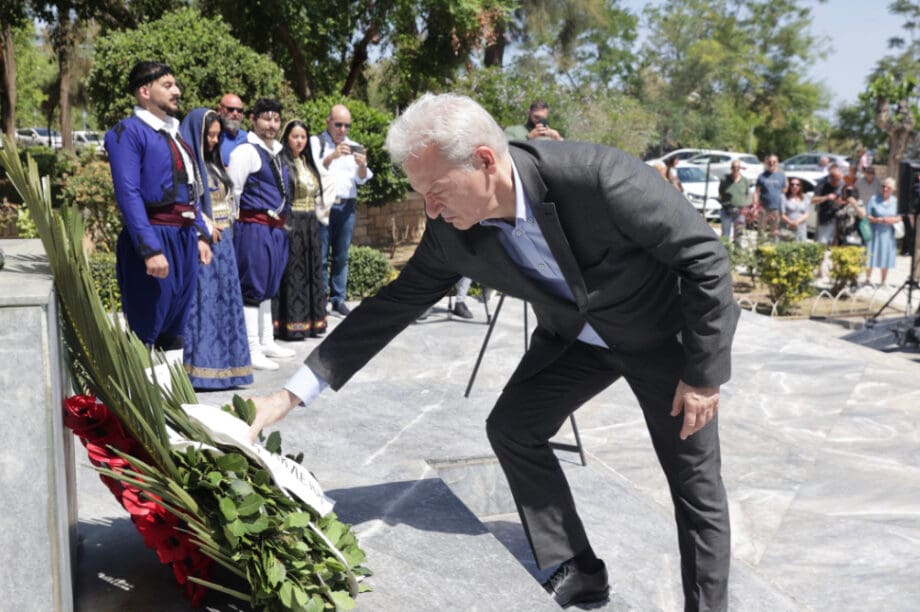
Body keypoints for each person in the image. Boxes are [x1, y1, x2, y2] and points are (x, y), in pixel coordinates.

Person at [248, 93, 740, 611]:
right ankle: (577, 568)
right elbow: (388, 308)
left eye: (436, 191)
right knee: (513, 427)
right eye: (422, 196)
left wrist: (704, 375)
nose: (430, 210)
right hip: (576, 340)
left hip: (662, 340)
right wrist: (285, 399)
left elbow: (705, 257)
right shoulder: (449, 233)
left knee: (694, 484)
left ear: (484, 160)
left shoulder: (595, 176)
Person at [104, 61, 212, 361]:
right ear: (144, 91)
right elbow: (128, 193)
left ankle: (170, 402)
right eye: (167, 85)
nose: (177, 91)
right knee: (146, 326)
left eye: (175, 85)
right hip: (155, 236)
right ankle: (141, 404)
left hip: (183, 237)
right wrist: (149, 248)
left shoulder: (175, 132)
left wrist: (201, 233)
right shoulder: (127, 132)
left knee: (175, 327)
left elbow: (189, 189)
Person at [179, 108, 253, 388]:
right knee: (205, 306)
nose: (213, 140)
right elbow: (189, 204)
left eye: (217, 135)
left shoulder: (214, 163)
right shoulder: (189, 169)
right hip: (203, 245)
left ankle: (227, 368)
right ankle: (201, 370)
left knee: (224, 305)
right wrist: (201, 233)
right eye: (209, 135)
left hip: (225, 244)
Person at [227, 98, 295, 371]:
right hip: (253, 227)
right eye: (266, 118)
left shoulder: (278, 151)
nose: (272, 124)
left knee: (269, 285)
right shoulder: (245, 151)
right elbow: (234, 192)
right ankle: (251, 346)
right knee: (252, 287)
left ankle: (267, 340)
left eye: (276, 119)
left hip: (276, 228)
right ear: (253, 119)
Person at [311, 104, 373, 317]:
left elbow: (362, 179)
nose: (343, 130)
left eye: (347, 125)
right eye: (338, 124)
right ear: (328, 121)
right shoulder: (316, 143)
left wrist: (362, 165)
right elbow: (311, 170)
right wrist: (332, 157)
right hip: (324, 205)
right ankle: (320, 300)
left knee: (341, 255)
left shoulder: (354, 146)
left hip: (347, 206)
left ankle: (338, 299)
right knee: (321, 255)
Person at [275, 120, 329, 339]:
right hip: (292, 223)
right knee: (293, 274)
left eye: (303, 137)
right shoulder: (281, 162)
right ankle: (291, 324)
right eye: (295, 136)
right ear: (287, 138)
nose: (299, 141)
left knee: (311, 271)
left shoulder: (307, 162)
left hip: (311, 224)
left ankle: (312, 322)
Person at [866, 177, 900, 286]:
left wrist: (889, 220)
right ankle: (867, 280)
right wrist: (878, 220)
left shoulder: (896, 201)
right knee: (870, 255)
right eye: (883, 186)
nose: (885, 189)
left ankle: (883, 281)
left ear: (893, 189)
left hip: (888, 233)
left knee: (886, 255)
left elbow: (900, 217)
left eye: (888, 187)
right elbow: (867, 216)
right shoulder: (874, 199)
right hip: (874, 231)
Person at [752, 154, 786, 239]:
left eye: (774, 162)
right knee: (761, 231)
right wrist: (755, 206)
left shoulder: (781, 176)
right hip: (763, 208)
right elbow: (756, 192)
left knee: (774, 232)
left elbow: (784, 191)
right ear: (767, 163)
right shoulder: (762, 176)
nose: (771, 163)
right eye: (770, 162)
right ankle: (760, 248)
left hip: (776, 209)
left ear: (777, 163)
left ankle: (772, 250)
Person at [811, 163, 845, 245]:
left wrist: (842, 202)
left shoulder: (842, 183)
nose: (838, 183)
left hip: (838, 218)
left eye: (839, 179)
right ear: (830, 178)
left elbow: (846, 199)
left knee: (835, 244)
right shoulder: (822, 184)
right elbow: (813, 200)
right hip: (825, 218)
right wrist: (826, 197)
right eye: (836, 180)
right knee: (822, 243)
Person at [718, 160, 749, 242]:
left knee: (739, 235)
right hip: (727, 210)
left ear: (740, 168)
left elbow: (746, 195)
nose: (735, 169)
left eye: (737, 168)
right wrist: (725, 203)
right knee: (725, 235)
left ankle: (737, 252)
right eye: (733, 167)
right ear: (731, 168)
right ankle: (725, 252)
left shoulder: (745, 180)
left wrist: (744, 207)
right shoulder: (725, 179)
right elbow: (720, 193)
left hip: (739, 212)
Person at [217, 93, 248, 166]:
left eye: (239, 111)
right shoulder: (214, 138)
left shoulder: (249, 138)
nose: (235, 113)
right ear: (220, 110)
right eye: (230, 109)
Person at [780, 178, 810, 242]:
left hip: (801, 228)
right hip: (787, 227)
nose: (794, 186)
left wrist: (797, 222)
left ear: (800, 186)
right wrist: (791, 222)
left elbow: (806, 213)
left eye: (797, 184)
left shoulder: (805, 197)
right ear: (789, 186)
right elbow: (782, 214)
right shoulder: (784, 197)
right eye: (792, 184)